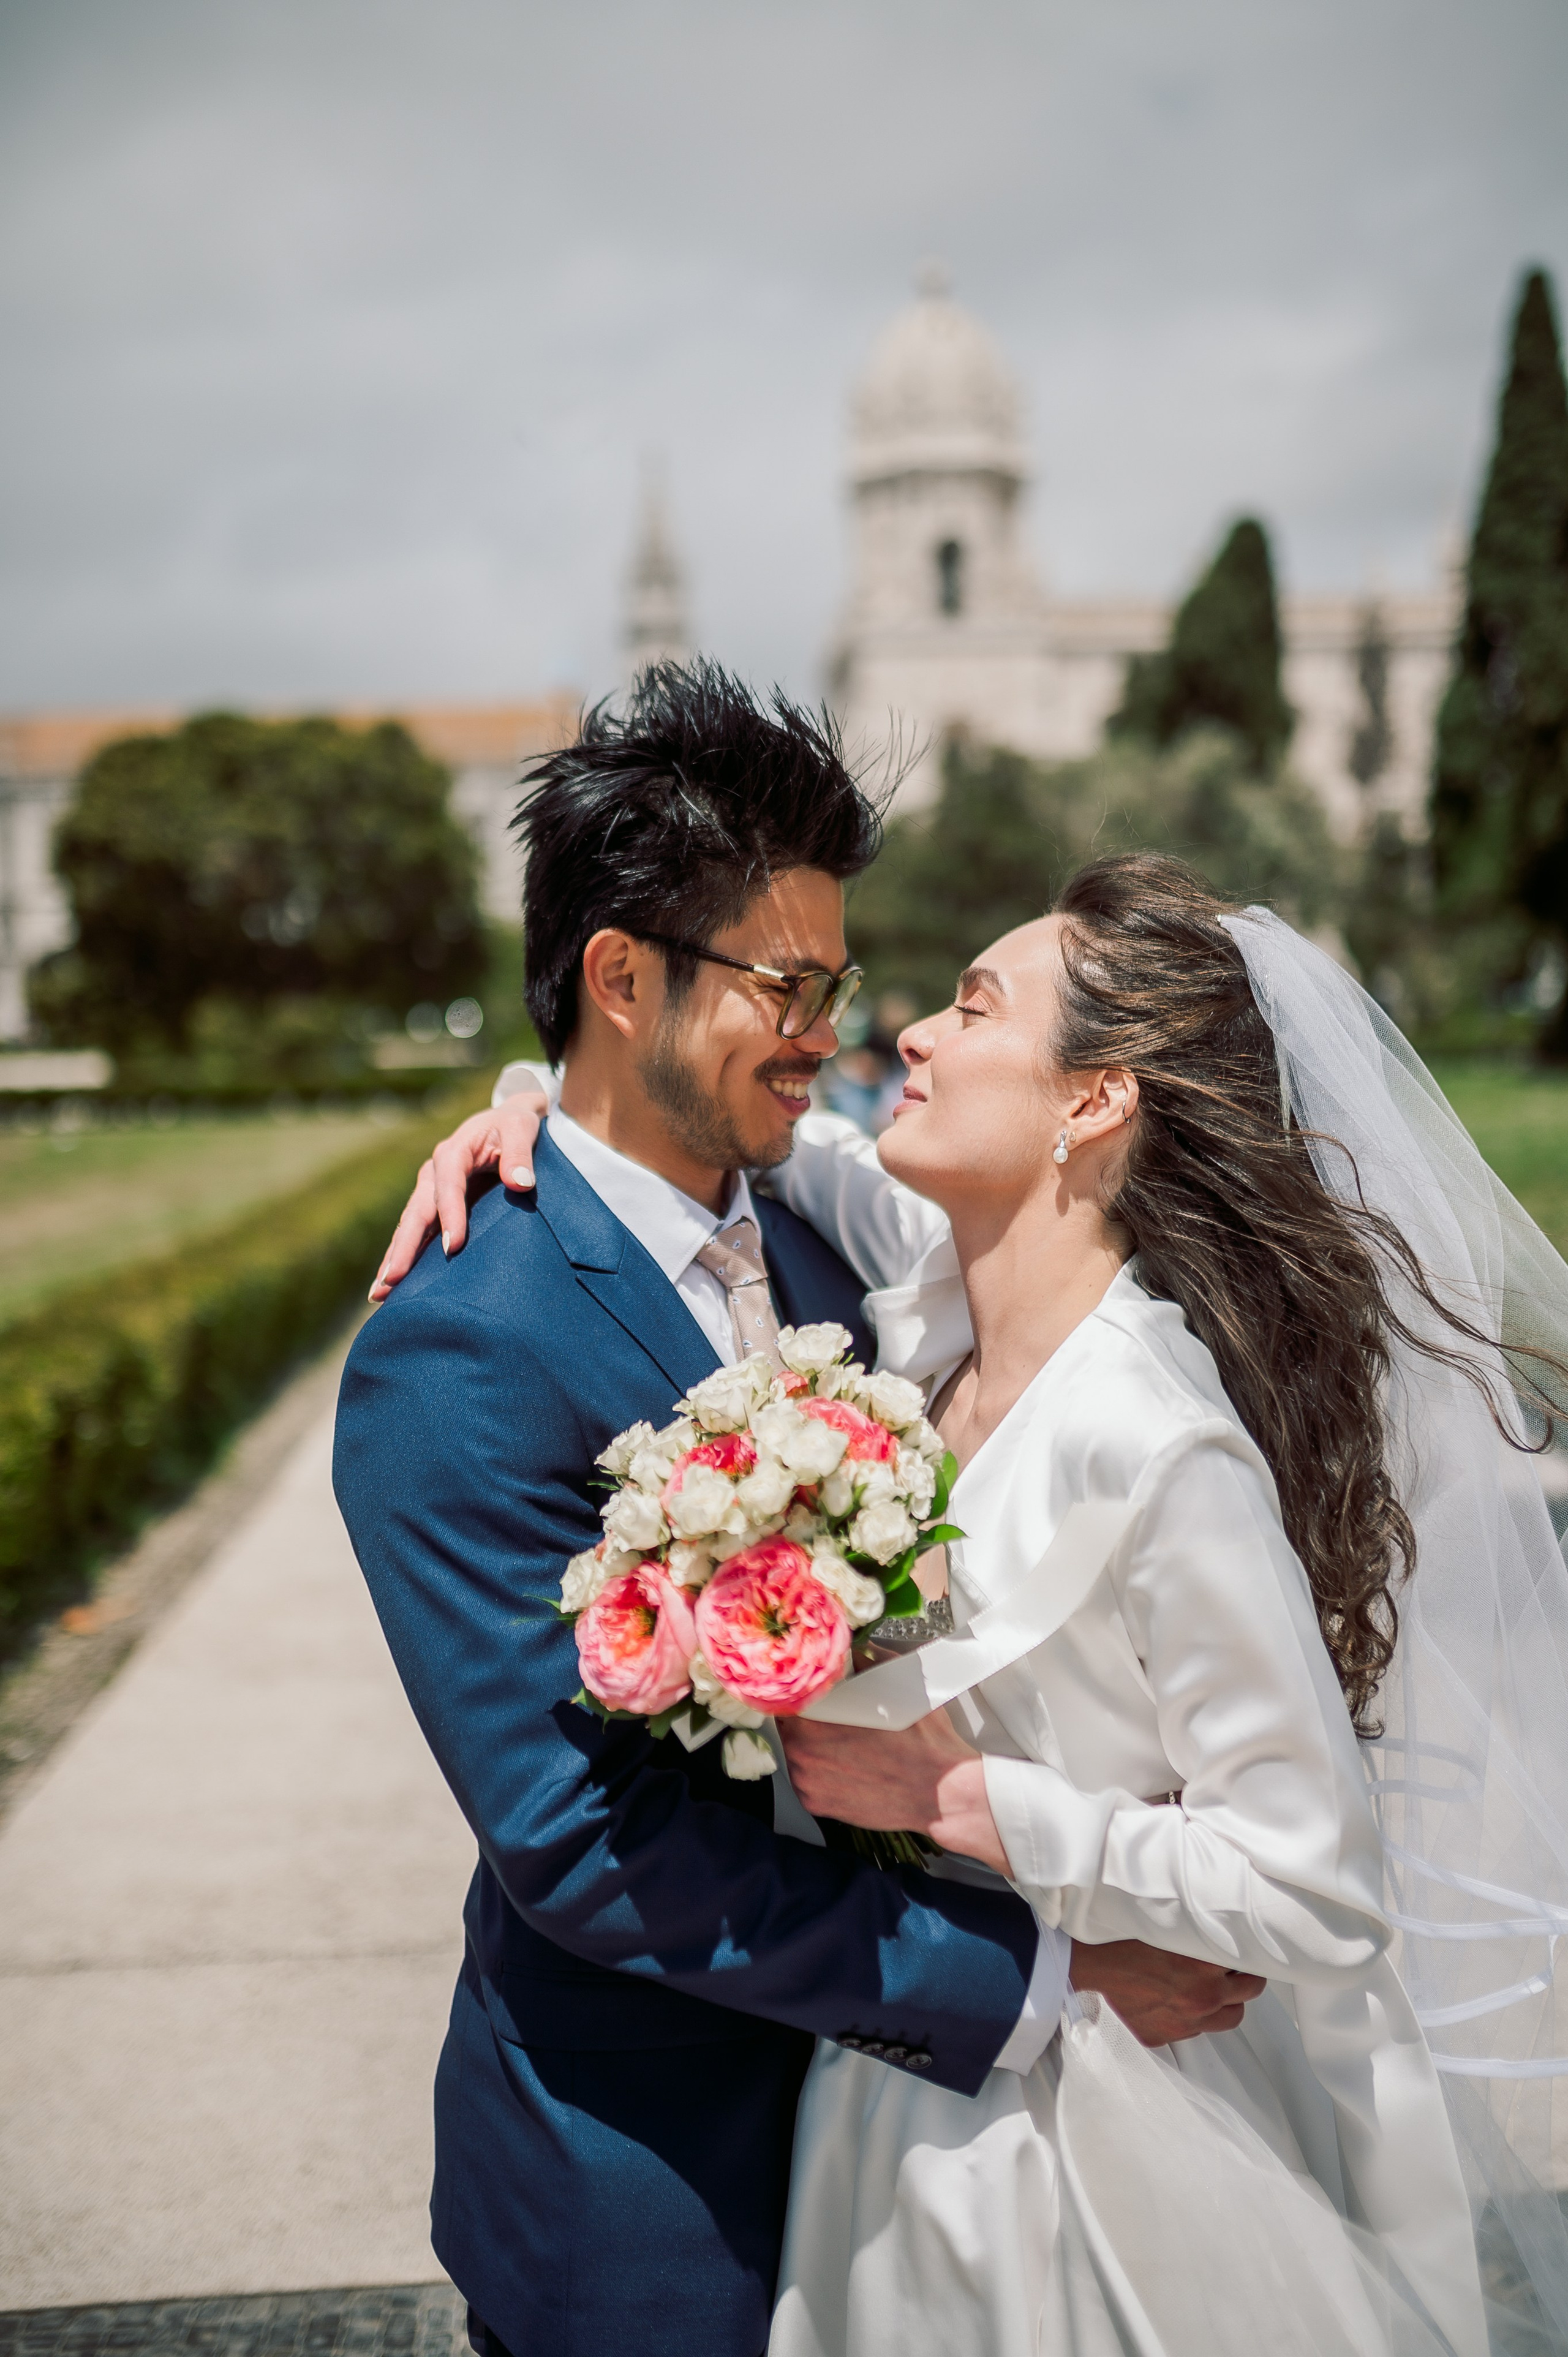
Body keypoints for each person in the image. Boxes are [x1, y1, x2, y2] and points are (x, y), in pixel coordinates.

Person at [399, 849, 1568, 2353]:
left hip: (1111, 2140)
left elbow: (1319, 1882)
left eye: (970, 1005)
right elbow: (678, 1119)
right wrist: (524, 1107)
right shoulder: (919, 1304)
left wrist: (966, 1798)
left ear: (1090, 1102)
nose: (908, 1038)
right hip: (898, 2115)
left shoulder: (1157, 1438)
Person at [337, 668, 1240, 2357]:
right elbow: (587, 1846)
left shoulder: (841, 1235)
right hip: (670, 2179)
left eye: (841, 980)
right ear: (622, 979)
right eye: (790, 983)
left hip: (951, 2163)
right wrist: (1044, 1986)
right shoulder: (464, 1345)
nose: (830, 1029)